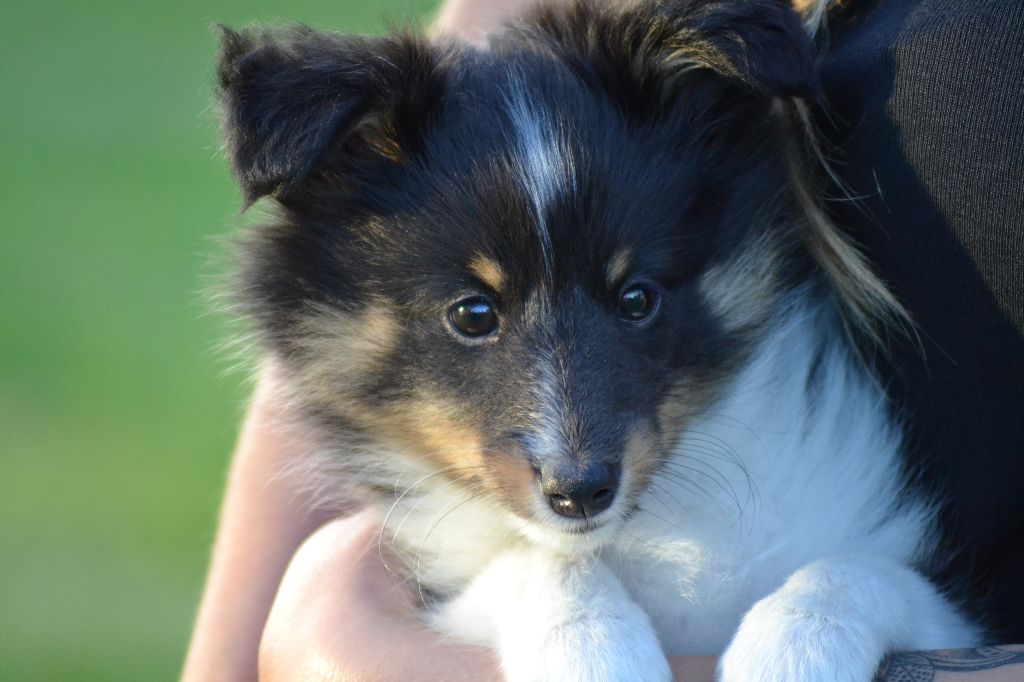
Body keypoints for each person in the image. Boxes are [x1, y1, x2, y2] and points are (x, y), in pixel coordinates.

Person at [181, 0, 1024, 679]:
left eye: (637, 298)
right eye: (474, 317)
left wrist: (843, 614)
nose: (573, 453)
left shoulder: (817, 465)